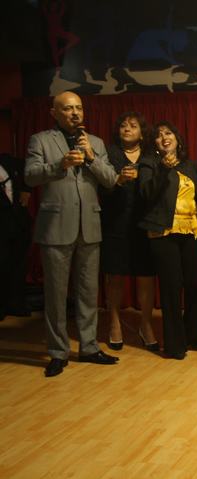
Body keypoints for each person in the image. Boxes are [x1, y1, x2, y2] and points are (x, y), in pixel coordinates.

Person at [25, 91, 122, 377]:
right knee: (56, 295)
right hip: (56, 227)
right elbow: (30, 176)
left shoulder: (95, 142)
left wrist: (91, 158)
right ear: (54, 113)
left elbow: (110, 180)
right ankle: (58, 352)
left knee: (88, 292)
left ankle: (89, 347)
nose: (75, 113)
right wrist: (60, 165)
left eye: (79, 108)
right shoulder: (40, 140)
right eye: (68, 108)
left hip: (89, 226)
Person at [138, 121, 197, 360]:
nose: (164, 137)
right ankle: (175, 344)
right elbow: (146, 194)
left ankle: (194, 337)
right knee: (171, 288)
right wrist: (163, 170)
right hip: (164, 232)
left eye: (168, 133)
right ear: (154, 143)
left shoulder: (190, 165)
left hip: (192, 230)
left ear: (177, 138)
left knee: (195, 285)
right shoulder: (149, 163)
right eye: (158, 135)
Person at [99, 112, 158, 352]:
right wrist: (119, 180)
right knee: (114, 275)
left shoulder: (151, 155)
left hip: (144, 222)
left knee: (146, 276)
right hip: (115, 221)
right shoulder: (108, 153)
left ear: (142, 133)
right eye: (123, 125)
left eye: (133, 126)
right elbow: (99, 187)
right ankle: (114, 323)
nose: (127, 128)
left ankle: (146, 324)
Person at [0, 153, 32, 321]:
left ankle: (16, 304)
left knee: (19, 264)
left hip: (18, 222)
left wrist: (27, 190)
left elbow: (30, 169)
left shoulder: (8, 160)